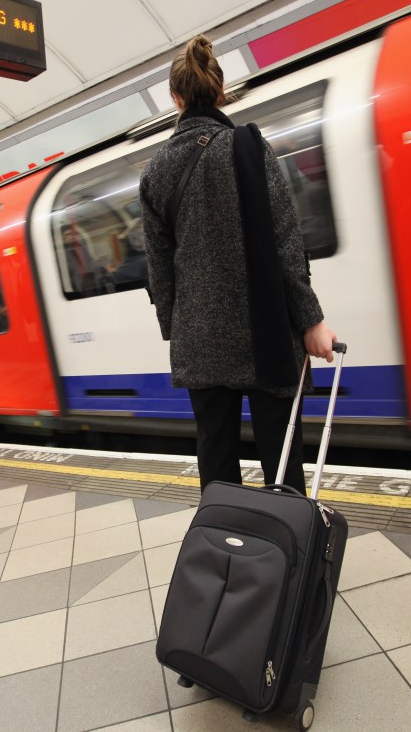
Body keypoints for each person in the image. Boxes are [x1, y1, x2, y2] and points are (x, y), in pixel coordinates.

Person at [139, 34, 337, 494]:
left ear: (175, 99)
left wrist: (178, 329)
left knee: (216, 458)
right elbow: (286, 243)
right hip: (264, 331)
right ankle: (285, 556)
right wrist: (310, 319)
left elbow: (160, 270)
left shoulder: (156, 171)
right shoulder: (250, 148)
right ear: (220, 92)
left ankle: (223, 554)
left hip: (200, 340)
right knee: (281, 459)